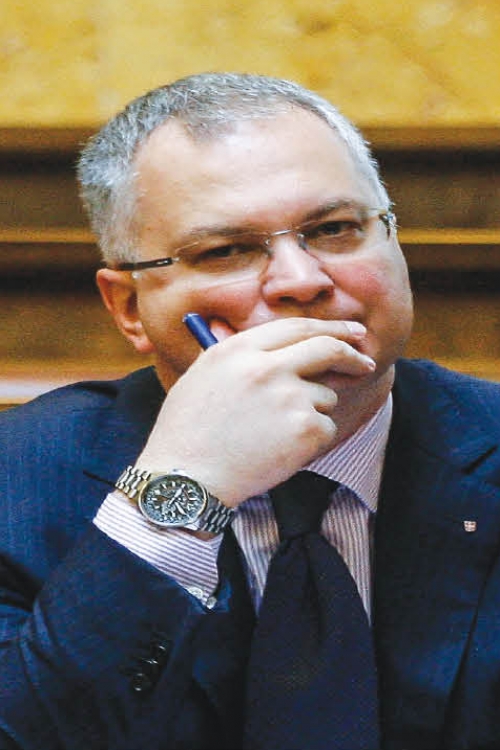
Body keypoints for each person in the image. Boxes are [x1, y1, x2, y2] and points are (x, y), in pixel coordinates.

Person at [1, 72, 500, 750]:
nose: (302, 280)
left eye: (335, 229)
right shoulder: (16, 480)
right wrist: (183, 487)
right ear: (129, 307)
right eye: (226, 250)